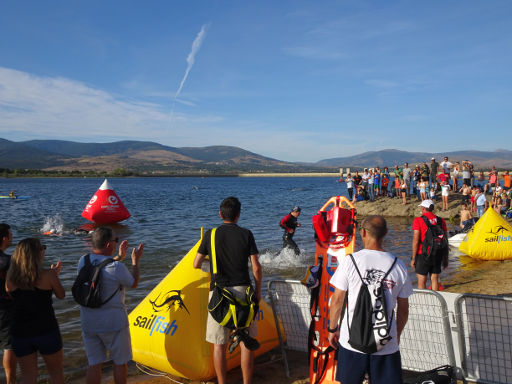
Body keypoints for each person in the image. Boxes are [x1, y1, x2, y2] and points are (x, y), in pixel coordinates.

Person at [327, 215, 412, 384]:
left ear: (363, 233)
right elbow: (403, 308)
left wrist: (332, 329)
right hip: (386, 342)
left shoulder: (350, 261)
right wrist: (397, 335)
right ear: (386, 233)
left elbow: (337, 300)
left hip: (351, 340)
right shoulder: (398, 265)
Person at [193, 196, 262, 384]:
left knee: (219, 344)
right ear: (238, 215)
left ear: (220, 214)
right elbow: (256, 267)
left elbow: (196, 264)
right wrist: (257, 292)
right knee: (246, 341)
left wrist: (213, 261)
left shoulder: (210, 234)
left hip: (218, 295)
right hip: (243, 292)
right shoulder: (246, 234)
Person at [77, 227, 144, 384]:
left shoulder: (83, 261)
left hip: (89, 322)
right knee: (120, 363)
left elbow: (102, 267)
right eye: (115, 240)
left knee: (94, 364)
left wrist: (120, 256)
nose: (116, 243)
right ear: (108, 245)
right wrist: (135, 262)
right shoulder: (117, 268)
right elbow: (133, 283)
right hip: (114, 324)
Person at [5, 238, 65, 383]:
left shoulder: (11, 278)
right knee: (56, 373)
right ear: (37, 253)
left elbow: (11, 295)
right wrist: (55, 277)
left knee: (28, 376)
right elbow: (61, 295)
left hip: (20, 332)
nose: (44, 250)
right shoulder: (48, 275)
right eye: (42, 248)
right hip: (46, 329)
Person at [411, 200, 448, 291]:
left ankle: (424, 302)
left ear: (423, 208)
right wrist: (446, 258)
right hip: (437, 252)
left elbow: (416, 240)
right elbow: (445, 239)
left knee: (422, 279)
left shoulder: (418, 220)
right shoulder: (440, 220)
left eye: (421, 207)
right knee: (434, 278)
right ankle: (435, 300)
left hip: (423, 253)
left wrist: (413, 258)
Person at [0, 224, 16, 384]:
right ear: (4, 238)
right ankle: (11, 381)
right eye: (10, 234)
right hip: (5, 308)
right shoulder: (8, 261)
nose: (12, 236)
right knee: (8, 346)